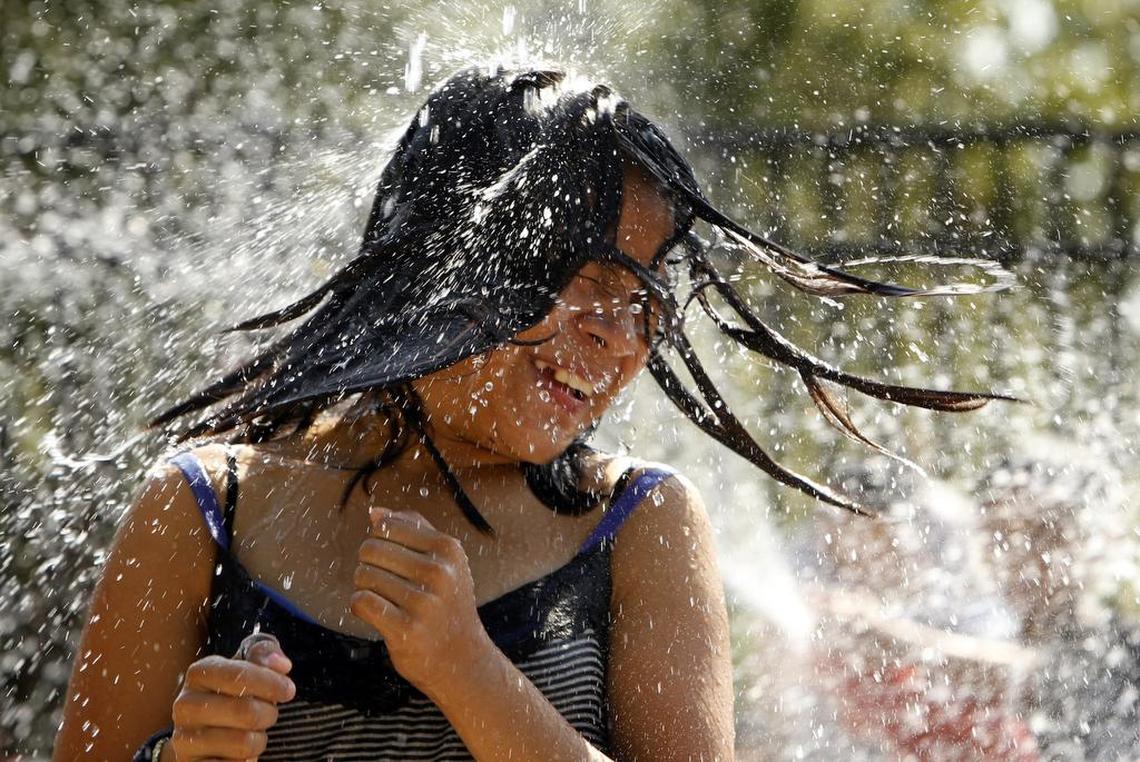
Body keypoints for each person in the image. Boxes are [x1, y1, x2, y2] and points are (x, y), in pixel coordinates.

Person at [53, 65, 1009, 761]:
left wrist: (471, 672)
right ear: (452, 262)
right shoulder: (201, 508)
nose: (618, 338)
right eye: (585, 282)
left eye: (644, 300)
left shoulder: (639, 524)